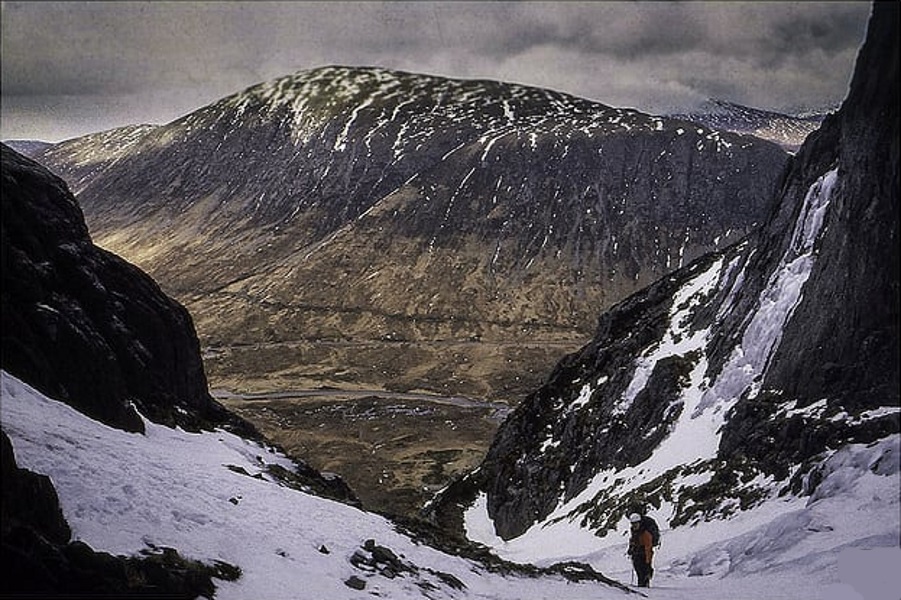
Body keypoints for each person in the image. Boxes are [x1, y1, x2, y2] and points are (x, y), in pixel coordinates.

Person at [628, 513, 654, 587]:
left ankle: (644, 585)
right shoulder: (634, 531)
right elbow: (632, 540)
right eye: (632, 524)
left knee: (643, 572)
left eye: (635, 523)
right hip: (637, 554)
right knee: (639, 572)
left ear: (639, 523)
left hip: (643, 555)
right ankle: (642, 585)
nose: (634, 525)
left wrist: (648, 562)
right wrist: (631, 548)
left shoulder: (646, 534)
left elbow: (648, 548)